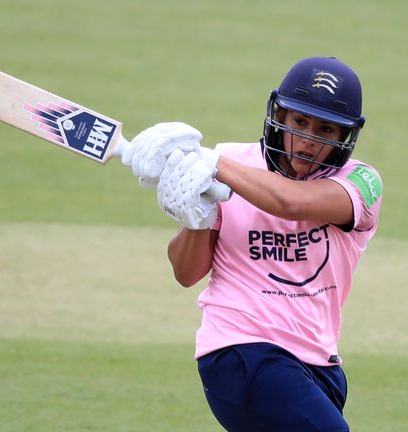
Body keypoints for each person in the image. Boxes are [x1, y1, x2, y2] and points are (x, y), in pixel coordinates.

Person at [122, 56, 382, 432]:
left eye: (326, 130)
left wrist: (209, 162)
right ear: (279, 115)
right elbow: (186, 272)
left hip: (318, 363)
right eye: (300, 122)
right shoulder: (232, 163)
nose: (308, 141)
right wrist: (198, 219)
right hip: (241, 351)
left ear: (345, 137)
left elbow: (292, 202)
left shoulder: (361, 182)